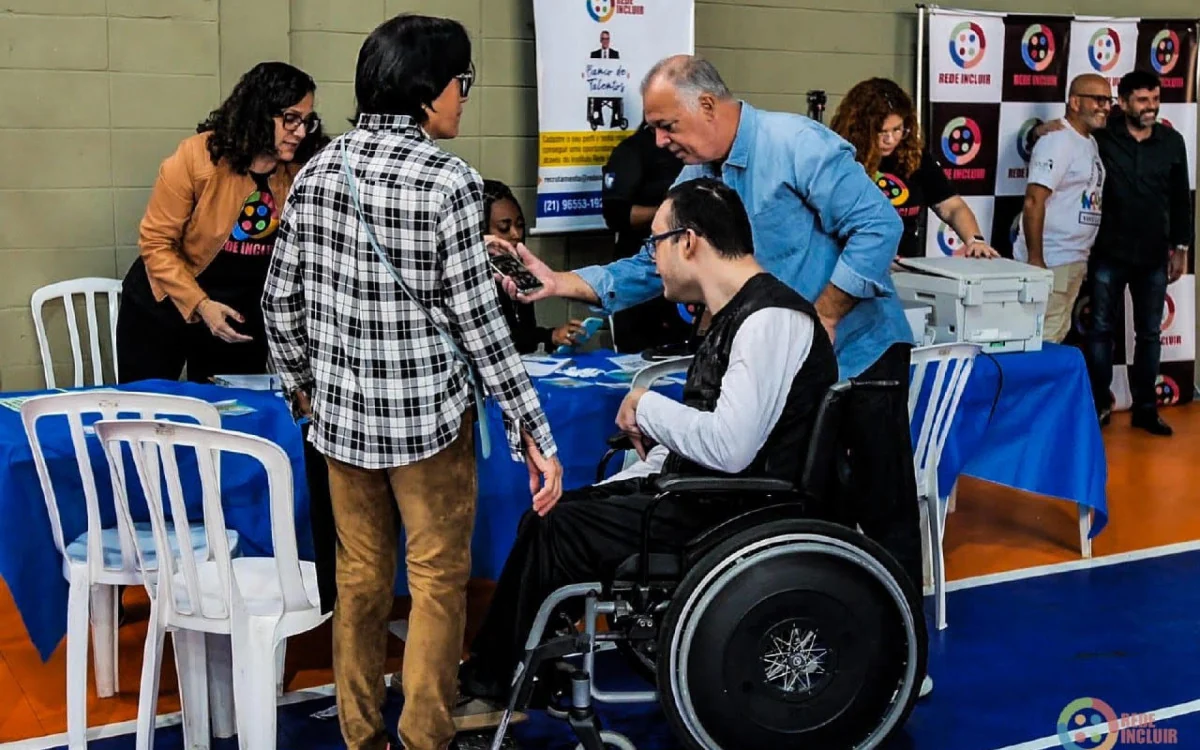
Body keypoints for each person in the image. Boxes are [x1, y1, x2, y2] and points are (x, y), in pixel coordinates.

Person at [494, 58, 926, 658]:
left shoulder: (794, 144)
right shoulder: (696, 176)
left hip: (859, 352)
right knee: (801, 506)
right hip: (787, 363)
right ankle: (811, 643)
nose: (659, 141)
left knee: (881, 505)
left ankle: (902, 655)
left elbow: (877, 226)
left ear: (705, 105)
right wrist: (561, 282)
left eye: (666, 125)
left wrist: (825, 315)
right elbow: (656, 263)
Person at [261, 15, 562, 750]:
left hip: (340, 425)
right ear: (428, 92)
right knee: (434, 583)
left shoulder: (317, 173)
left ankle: (360, 736)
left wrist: (302, 388)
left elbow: (278, 302)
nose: (465, 97)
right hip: (430, 427)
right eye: (463, 82)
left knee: (360, 583)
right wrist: (532, 428)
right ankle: (427, 735)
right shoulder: (450, 182)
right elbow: (480, 325)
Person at [459, 176, 840, 726]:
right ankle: (516, 671)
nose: (653, 261)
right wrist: (620, 483)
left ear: (689, 242)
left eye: (656, 244)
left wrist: (645, 405)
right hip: (710, 497)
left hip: (736, 513)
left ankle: (492, 689)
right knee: (556, 515)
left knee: (555, 528)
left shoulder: (769, 319)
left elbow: (730, 447)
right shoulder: (736, 314)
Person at [116, 62, 326, 384]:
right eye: (290, 118)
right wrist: (200, 304)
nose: (299, 132)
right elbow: (155, 243)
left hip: (237, 314)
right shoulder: (196, 157)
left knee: (233, 408)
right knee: (149, 404)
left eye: (306, 121)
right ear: (258, 113)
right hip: (165, 301)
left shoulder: (300, 170)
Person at [1037, 70, 1190, 434]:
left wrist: (1182, 247)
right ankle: (1099, 404)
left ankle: (1146, 409)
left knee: (1150, 334)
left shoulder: (1172, 141)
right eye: (1142, 100)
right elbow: (1066, 132)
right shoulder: (1101, 136)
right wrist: (1038, 131)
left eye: (1155, 99)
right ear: (1123, 103)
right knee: (1100, 330)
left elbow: (1181, 198)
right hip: (1108, 251)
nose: (1151, 107)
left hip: (1153, 255)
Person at [830, 77, 999, 260]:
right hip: (852, 264)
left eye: (897, 129)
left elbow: (952, 207)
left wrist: (975, 240)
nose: (890, 139)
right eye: (882, 132)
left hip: (906, 266)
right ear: (862, 130)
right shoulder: (841, 158)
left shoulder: (914, 156)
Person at [1013, 73, 1111, 344]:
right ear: (1075, 102)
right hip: (1051, 260)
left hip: (1072, 259)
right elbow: (1034, 200)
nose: (1105, 107)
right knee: (1042, 341)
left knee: (1053, 336)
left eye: (1109, 101)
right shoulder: (1058, 140)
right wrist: (1036, 260)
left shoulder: (1088, 140)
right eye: (1098, 99)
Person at [600, 122, 694, 353]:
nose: (664, 139)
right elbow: (616, 214)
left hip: (690, 273)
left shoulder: (698, 154)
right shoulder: (633, 151)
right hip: (644, 270)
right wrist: (674, 213)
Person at [483, 179, 584, 353]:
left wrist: (552, 337)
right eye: (504, 228)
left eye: (520, 225)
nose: (515, 234)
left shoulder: (517, 269)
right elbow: (494, 343)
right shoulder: (469, 280)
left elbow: (523, 336)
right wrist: (549, 336)